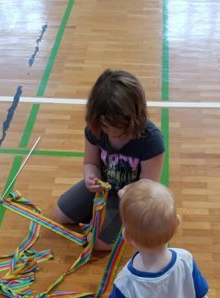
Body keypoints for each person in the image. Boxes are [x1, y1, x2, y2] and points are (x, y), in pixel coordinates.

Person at [54, 69, 165, 250]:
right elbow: (90, 163)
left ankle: (122, 220)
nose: (109, 130)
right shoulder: (95, 128)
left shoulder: (151, 139)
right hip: (104, 187)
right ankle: (107, 216)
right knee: (61, 215)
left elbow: (149, 184)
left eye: (116, 126)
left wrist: (128, 193)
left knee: (98, 244)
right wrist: (91, 176)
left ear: (132, 117)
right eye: (105, 125)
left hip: (130, 197)